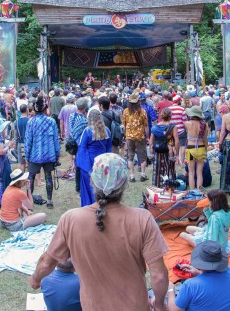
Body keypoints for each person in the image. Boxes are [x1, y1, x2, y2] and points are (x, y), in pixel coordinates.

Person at [29, 153, 169, 311]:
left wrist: (35, 279)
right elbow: (159, 276)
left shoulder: (71, 219)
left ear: (91, 181)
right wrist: (159, 304)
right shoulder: (142, 219)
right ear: (124, 185)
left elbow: (46, 263)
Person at [167, 241, 230, 311]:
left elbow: (175, 310)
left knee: (162, 298)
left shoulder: (191, 285)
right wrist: (198, 273)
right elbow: (213, 284)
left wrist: (170, 289)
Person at [25, 96, 60, 209]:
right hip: (49, 155)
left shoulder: (31, 122)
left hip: (35, 155)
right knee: (48, 176)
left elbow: (28, 140)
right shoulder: (51, 121)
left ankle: (28, 201)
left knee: (31, 177)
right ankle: (49, 201)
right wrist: (57, 154)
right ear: (45, 108)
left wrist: (27, 155)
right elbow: (56, 139)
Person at [76, 109, 112, 206]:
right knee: (101, 186)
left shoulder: (87, 131)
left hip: (90, 162)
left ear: (90, 118)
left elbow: (82, 148)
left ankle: (90, 206)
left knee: (89, 186)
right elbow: (109, 148)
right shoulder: (107, 130)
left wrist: (82, 165)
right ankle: (101, 205)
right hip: (103, 161)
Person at [123, 92, 150, 182]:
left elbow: (124, 124)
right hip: (140, 137)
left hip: (129, 137)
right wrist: (147, 137)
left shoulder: (126, 111)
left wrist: (125, 135)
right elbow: (146, 126)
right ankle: (142, 174)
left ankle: (132, 176)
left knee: (130, 156)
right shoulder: (142, 111)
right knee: (143, 157)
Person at [185, 106, 209, 190]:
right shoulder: (204, 125)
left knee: (191, 172)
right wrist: (206, 150)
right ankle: (199, 192)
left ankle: (192, 192)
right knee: (199, 172)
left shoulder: (187, 123)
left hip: (191, 149)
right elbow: (205, 139)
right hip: (201, 148)